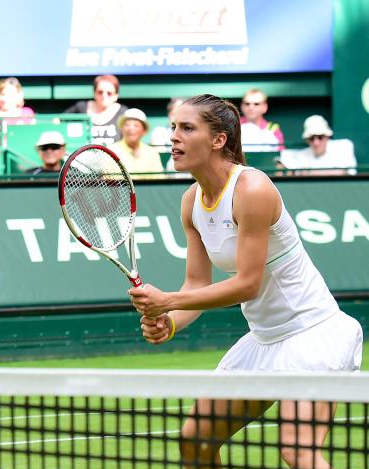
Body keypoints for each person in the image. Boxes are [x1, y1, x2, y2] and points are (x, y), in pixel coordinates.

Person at [129, 94, 362, 469]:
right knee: (196, 441)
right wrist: (169, 322)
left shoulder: (252, 189)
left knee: (298, 448)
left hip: (312, 332)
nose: (173, 137)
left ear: (219, 139)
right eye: (173, 127)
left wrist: (167, 301)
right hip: (263, 339)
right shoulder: (191, 202)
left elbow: (248, 284)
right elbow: (195, 284)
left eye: (187, 128)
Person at [277, 115, 357, 175]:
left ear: (327, 136)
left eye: (320, 137)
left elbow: (341, 172)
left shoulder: (343, 147)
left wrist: (307, 172)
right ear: (307, 140)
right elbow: (280, 160)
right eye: (311, 138)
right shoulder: (302, 155)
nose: (316, 142)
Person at [64, 75, 128, 146]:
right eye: (100, 92)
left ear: (116, 95)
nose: (104, 96)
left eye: (109, 93)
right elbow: (58, 121)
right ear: (94, 93)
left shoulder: (123, 113)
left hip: (113, 156)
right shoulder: (81, 108)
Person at [108, 108, 164, 178]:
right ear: (121, 129)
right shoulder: (111, 151)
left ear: (144, 131)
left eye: (136, 125)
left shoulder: (152, 153)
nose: (131, 128)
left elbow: (158, 180)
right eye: (127, 125)